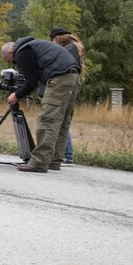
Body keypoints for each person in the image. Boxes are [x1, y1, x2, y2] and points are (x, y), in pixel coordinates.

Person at [0, 37, 81, 173]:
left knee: (47, 120)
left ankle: (39, 162)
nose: (13, 63)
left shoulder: (21, 52)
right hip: (73, 76)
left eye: (9, 60)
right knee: (62, 121)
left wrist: (17, 95)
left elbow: (31, 81)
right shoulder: (32, 46)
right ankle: (54, 160)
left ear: (10, 51)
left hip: (59, 77)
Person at [49, 27, 86, 165]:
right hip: (71, 85)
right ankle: (67, 154)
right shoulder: (74, 47)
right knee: (63, 120)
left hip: (66, 85)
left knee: (61, 120)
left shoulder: (69, 49)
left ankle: (67, 154)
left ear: (57, 38)